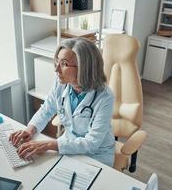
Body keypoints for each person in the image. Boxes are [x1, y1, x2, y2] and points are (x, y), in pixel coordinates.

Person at [9, 38, 115, 166]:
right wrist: (30, 129)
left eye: (64, 64)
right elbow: (47, 109)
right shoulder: (61, 83)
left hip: (97, 155)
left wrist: (48, 144)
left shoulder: (105, 97)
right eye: (57, 62)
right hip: (68, 144)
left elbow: (91, 143)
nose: (57, 69)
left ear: (84, 67)